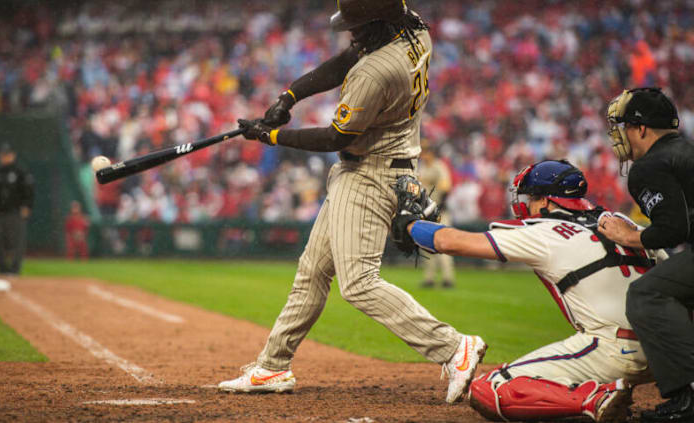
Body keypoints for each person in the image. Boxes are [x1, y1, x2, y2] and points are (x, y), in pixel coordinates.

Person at [218, 0, 487, 403]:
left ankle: (452, 348)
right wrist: (289, 98)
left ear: (379, 22)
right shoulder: (413, 30)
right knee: (312, 272)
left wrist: (269, 136)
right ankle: (272, 366)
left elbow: (335, 138)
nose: (352, 33)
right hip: (374, 167)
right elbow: (346, 57)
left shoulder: (377, 71)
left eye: (359, 26)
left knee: (359, 284)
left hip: (370, 173)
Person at [391, 160, 668, 423]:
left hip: (613, 349)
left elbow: (453, 242)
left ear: (546, 200)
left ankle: (594, 399)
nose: (526, 205)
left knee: (490, 388)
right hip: (669, 348)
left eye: (531, 198)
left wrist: (410, 225)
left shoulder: (544, 230)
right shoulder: (624, 223)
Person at [600, 87, 694, 422]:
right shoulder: (685, 150)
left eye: (623, 126)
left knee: (648, 293)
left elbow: (673, 229)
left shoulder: (650, 165)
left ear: (640, 128)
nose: (620, 136)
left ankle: (688, 398)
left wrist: (632, 236)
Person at [0, 143, 34, 276]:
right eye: (3, 155)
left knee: (17, 242)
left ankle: (14, 270)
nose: (4, 157)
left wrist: (27, 206)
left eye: (7, 154)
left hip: (15, 212)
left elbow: (28, 191)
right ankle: (1, 270)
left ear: (12, 155)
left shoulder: (20, 171)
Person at [417, 149, 455, 288]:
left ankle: (447, 278)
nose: (424, 154)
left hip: (439, 211)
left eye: (426, 151)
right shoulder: (421, 167)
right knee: (425, 245)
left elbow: (446, 187)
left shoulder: (439, 167)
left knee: (444, 245)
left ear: (431, 153)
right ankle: (429, 278)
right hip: (425, 211)